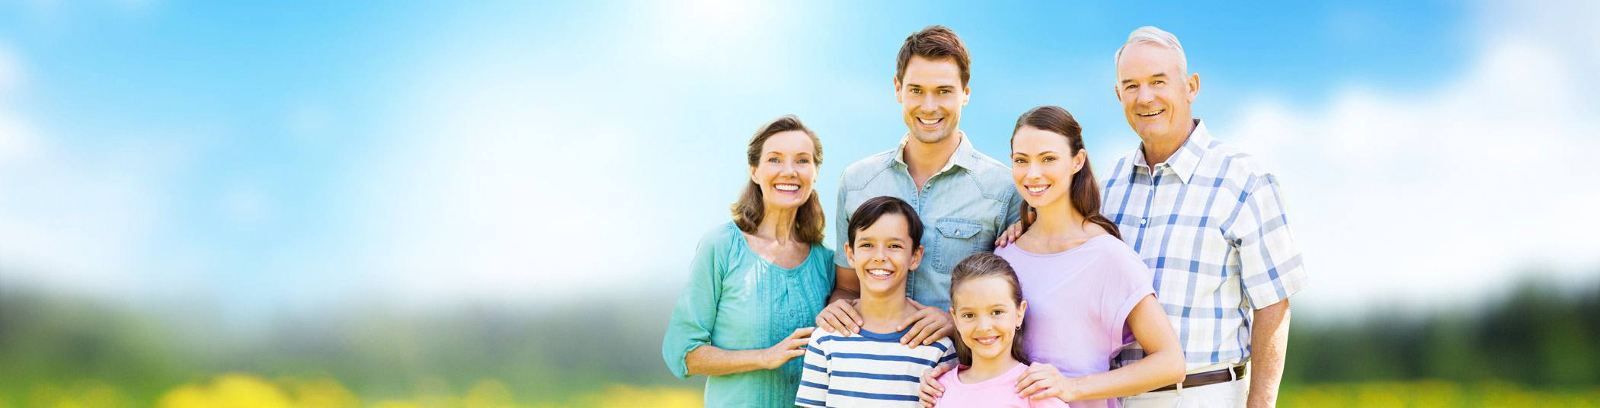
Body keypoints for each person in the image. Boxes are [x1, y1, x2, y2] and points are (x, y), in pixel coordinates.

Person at [926, 106, 1185, 407]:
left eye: (1048, 159)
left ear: (1077, 161)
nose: (1033, 174)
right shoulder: (1007, 252)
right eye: (1021, 161)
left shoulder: (1108, 256)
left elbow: (1170, 362)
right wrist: (956, 377)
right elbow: (992, 340)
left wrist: (1071, 387)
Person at [1104, 26, 1309, 407]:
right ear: (1118, 95)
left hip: (1205, 394)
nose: (1144, 97)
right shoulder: (1108, 186)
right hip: (1118, 397)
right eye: (1130, 86)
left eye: (1158, 81)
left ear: (1191, 86)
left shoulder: (1245, 180)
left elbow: (1273, 305)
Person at [815, 24, 1022, 349]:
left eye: (943, 91)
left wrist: (953, 322)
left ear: (966, 93)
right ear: (898, 89)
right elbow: (846, 287)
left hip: (954, 384)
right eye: (916, 90)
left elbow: (1014, 302)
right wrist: (836, 309)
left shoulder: (1004, 188)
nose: (928, 106)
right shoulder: (857, 181)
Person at [661, 115, 836, 407]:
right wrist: (764, 357)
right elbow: (683, 353)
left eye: (802, 161)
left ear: (815, 172)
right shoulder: (721, 247)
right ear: (754, 170)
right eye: (775, 160)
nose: (789, 171)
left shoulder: (826, 262)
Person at [796, 196, 956, 407]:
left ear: (915, 256)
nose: (880, 256)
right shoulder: (825, 340)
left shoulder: (937, 346)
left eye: (894, 246)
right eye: (867, 245)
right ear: (850, 254)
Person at [931, 252, 1067, 408]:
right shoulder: (939, 389)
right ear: (955, 318)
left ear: (1019, 312)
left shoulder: (1035, 388)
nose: (984, 327)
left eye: (996, 312)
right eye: (969, 315)